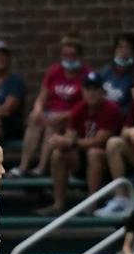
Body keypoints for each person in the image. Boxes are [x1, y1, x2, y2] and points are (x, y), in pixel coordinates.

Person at [41, 72, 121, 216]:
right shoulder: (79, 108)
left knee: (94, 153)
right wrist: (60, 142)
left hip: (108, 161)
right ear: (83, 91)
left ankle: (92, 203)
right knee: (58, 154)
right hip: (82, 159)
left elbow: (100, 140)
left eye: (95, 89)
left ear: (102, 91)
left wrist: (71, 142)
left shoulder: (111, 109)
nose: (91, 93)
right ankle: (58, 203)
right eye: (88, 89)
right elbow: (70, 135)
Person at [13, 31, 85, 176]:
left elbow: (84, 105)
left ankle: (41, 167)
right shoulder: (54, 72)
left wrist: (64, 115)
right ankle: (23, 166)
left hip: (70, 118)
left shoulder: (85, 75)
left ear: (79, 56)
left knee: (52, 124)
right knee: (34, 119)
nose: (69, 59)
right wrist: (38, 109)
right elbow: (42, 96)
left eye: (72, 55)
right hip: (50, 113)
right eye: (66, 55)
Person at [98, 33, 134, 119]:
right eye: (120, 47)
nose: (124, 51)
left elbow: (131, 109)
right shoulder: (106, 72)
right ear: (114, 50)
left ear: (133, 52)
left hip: (121, 120)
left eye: (128, 47)